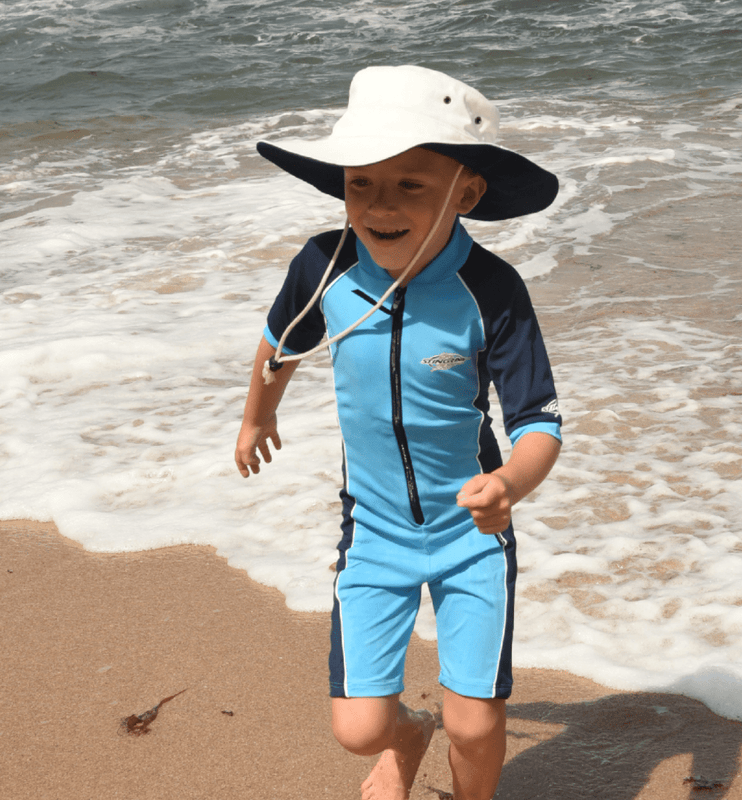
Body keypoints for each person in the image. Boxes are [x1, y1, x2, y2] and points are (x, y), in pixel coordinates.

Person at [235, 64, 562, 800]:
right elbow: (278, 342)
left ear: (466, 192)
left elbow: (540, 420)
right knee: (357, 731)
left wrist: (509, 483)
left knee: (475, 726)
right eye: (361, 184)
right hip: (374, 531)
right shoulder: (326, 264)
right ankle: (410, 736)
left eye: (411, 184)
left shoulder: (493, 290)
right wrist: (258, 414)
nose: (380, 206)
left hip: (470, 537)